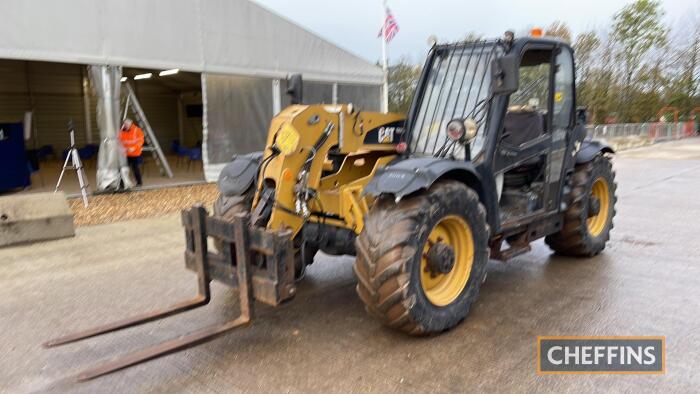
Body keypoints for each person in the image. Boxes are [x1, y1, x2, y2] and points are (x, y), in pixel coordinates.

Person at [119, 118, 145, 186]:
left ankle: (139, 183)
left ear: (131, 124)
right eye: (125, 124)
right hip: (125, 154)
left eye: (127, 124)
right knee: (123, 169)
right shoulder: (121, 131)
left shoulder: (137, 130)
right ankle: (122, 184)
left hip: (135, 154)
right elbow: (119, 141)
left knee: (135, 169)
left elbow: (141, 141)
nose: (126, 125)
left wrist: (134, 148)